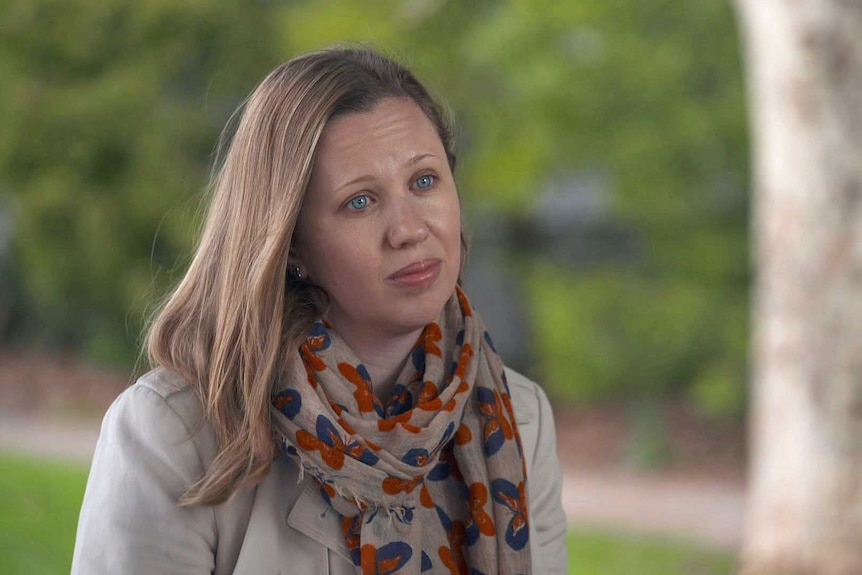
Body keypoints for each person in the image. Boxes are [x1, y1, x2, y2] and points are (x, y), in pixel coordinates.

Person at [72, 46, 567, 574]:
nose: (409, 229)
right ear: (291, 243)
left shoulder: (520, 417)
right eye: (360, 201)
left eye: (424, 181)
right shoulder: (173, 434)